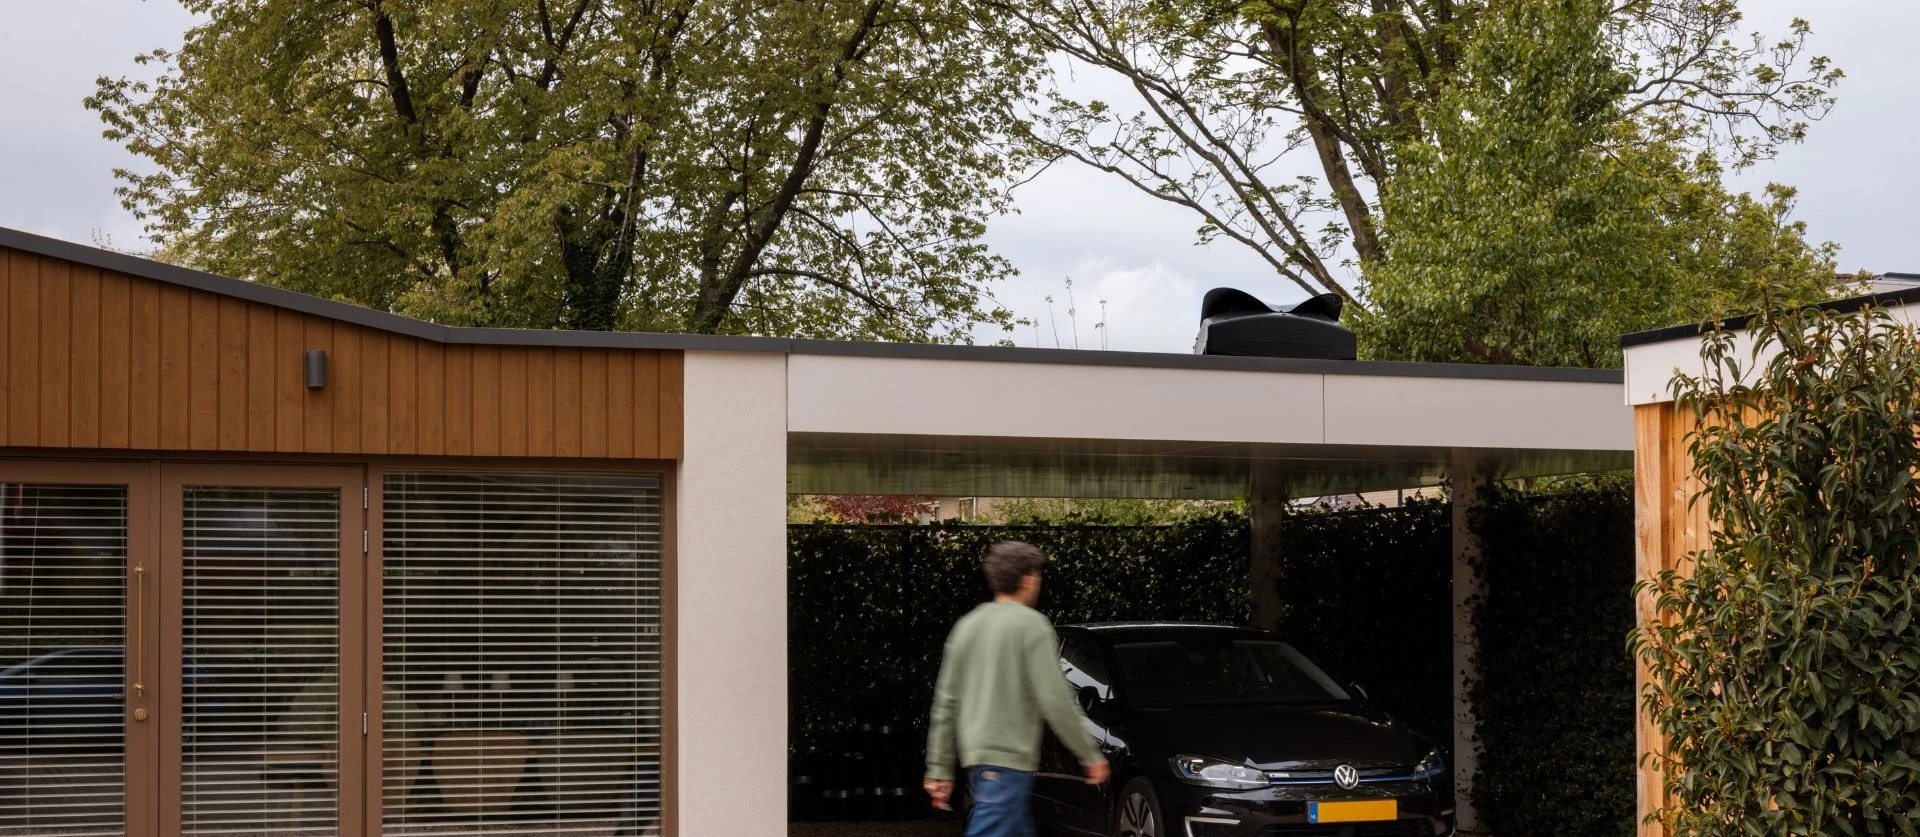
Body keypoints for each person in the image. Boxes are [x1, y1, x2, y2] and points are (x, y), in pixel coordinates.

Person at [923, 541, 1110, 836]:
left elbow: (946, 705)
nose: (1038, 581)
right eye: (1037, 575)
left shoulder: (966, 627)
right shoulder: (1030, 625)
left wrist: (939, 768)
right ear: (1026, 579)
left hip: (980, 761)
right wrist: (1088, 754)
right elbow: (1055, 699)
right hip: (1007, 762)